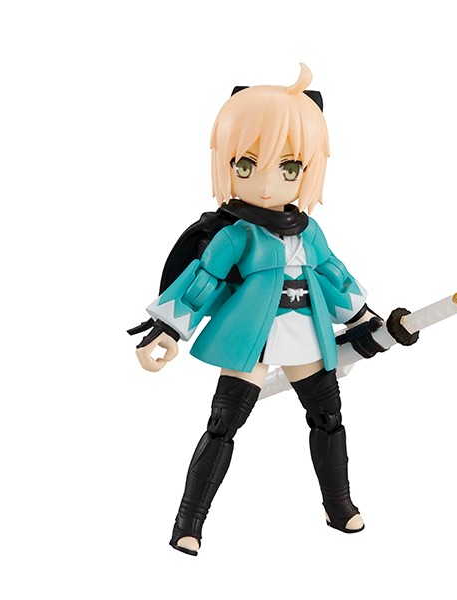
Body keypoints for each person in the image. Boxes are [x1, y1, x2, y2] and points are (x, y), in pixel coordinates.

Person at [132, 64, 388, 556]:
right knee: (223, 425)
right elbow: (202, 282)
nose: (268, 184)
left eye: (288, 169)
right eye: (247, 166)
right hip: (251, 341)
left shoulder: (309, 231)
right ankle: (189, 521)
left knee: (328, 419)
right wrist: (166, 330)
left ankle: (339, 505)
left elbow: (333, 276)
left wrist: (362, 318)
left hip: (306, 336)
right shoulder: (235, 234)